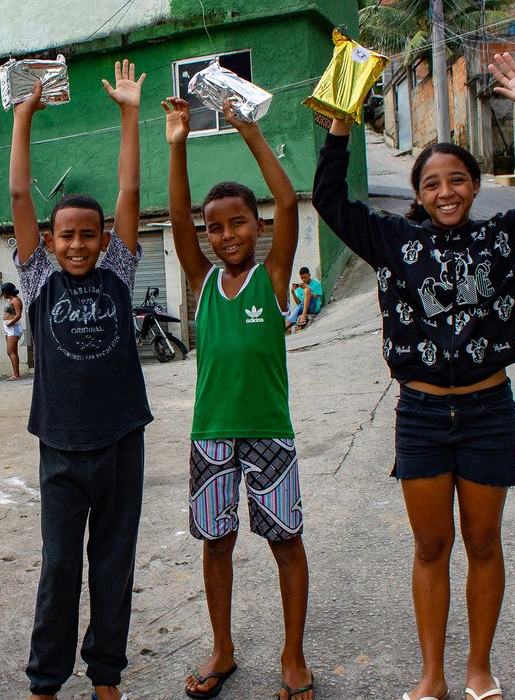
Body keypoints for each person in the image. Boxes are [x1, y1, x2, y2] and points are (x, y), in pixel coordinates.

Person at [311, 53, 515, 700]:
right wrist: (339, 129)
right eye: (433, 183)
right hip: (421, 414)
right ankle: (433, 675)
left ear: (474, 185)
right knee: (432, 546)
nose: (446, 192)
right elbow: (328, 198)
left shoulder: (508, 238)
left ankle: (479, 670)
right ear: (417, 193)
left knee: (485, 542)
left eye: (458, 179)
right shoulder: (392, 243)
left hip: (490, 411)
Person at [162, 96, 314, 700]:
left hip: (269, 433)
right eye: (215, 227)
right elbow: (176, 217)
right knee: (216, 544)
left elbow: (285, 201)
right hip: (211, 436)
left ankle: (293, 655)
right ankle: (222, 649)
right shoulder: (201, 282)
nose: (226, 235)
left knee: (286, 543)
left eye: (238, 223)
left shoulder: (273, 276)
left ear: (257, 225)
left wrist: (250, 130)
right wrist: (177, 146)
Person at [11, 60, 152, 700]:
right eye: (65, 235)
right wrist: (24, 118)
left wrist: (129, 114)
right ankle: (46, 679)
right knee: (60, 567)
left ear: (102, 241)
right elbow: (18, 197)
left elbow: (128, 194)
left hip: (121, 439)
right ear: (49, 240)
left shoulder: (118, 272)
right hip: (61, 447)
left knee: (113, 565)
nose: (76, 245)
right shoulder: (38, 280)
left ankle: (106, 675)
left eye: (86, 236)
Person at [1, 282, 24, 380]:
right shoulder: (11, 300)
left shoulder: (16, 300)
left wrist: (10, 323)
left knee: (10, 351)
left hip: (13, 327)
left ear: (7, 292)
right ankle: (15, 373)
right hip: (8, 328)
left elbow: (18, 315)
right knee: (11, 351)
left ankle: (16, 375)